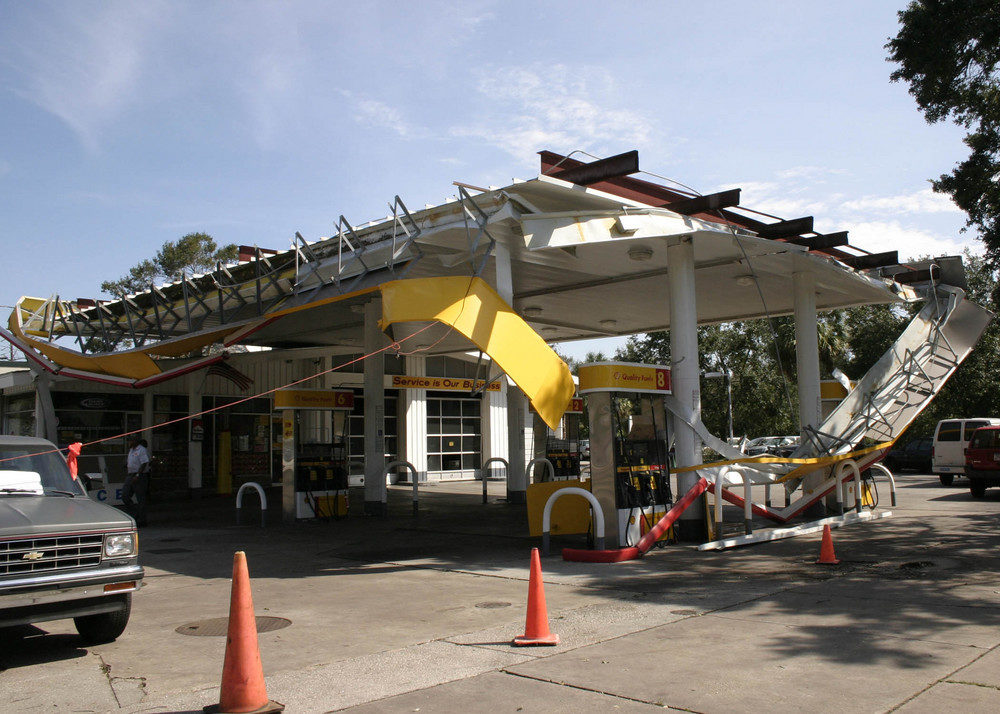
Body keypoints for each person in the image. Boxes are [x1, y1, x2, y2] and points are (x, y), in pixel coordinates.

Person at [122, 437, 151, 527]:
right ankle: (135, 513)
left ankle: (142, 520)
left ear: (135, 441)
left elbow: (144, 462)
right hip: (130, 474)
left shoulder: (141, 450)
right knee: (125, 495)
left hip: (139, 475)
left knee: (140, 498)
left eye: (130, 440)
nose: (128, 442)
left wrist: (138, 475)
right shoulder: (131, 450)